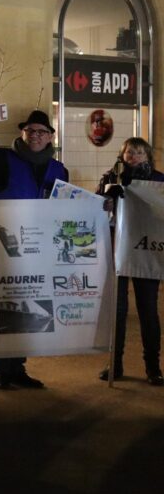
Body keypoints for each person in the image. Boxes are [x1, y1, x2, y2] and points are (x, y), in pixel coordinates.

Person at [0, 109, 67, 390]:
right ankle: (1, 369)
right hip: (3, 246)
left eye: (41, 132)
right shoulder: (3, 158)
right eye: (30, 131)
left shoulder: (59, 169)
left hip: (38, 249)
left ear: (50, 137)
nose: (35, 136)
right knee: (4, 304)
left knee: (30, 306)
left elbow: (68, 205)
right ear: (22, 133)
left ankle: (18, 367)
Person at [96, 137, 164, 385]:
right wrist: (107, 199)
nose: (133, 157)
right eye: (129, 153)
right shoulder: (110, 178)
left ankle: (153, 366)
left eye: (139, 153)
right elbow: (96, 209)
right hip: (118, 249)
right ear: (122, 155)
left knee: (148, 310)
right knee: (118, 310)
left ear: (147, 156)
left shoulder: (158, 180)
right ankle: (115, 363)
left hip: (146, 251)